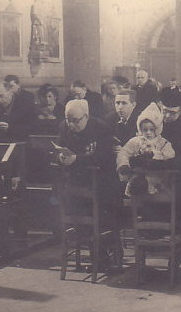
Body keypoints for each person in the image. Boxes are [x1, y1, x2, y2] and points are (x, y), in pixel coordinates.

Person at [56, 99, 119, 232]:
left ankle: (103, 242)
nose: (71, 124)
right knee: (58, 190)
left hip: (101, 179)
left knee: (104, 207)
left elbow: (102, 157)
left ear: (87, 116)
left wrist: (76, 159)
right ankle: (76, 232)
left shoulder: (102, 128)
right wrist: (60, 157)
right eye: (68, 119)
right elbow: (58, 148)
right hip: (76, 179)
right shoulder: (63, 126)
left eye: (75, 120)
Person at [116, 103, 175, 197]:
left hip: (157, 177)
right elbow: (123, 153)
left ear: (158, 129)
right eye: (145, 130)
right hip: (138, 176)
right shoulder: (135, 141)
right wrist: (124, 165)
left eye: (152, 130)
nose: (148, 133)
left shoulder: (163, 143)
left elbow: (170, 154)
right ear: (140, 130)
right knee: (136, 182)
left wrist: (159, 158)